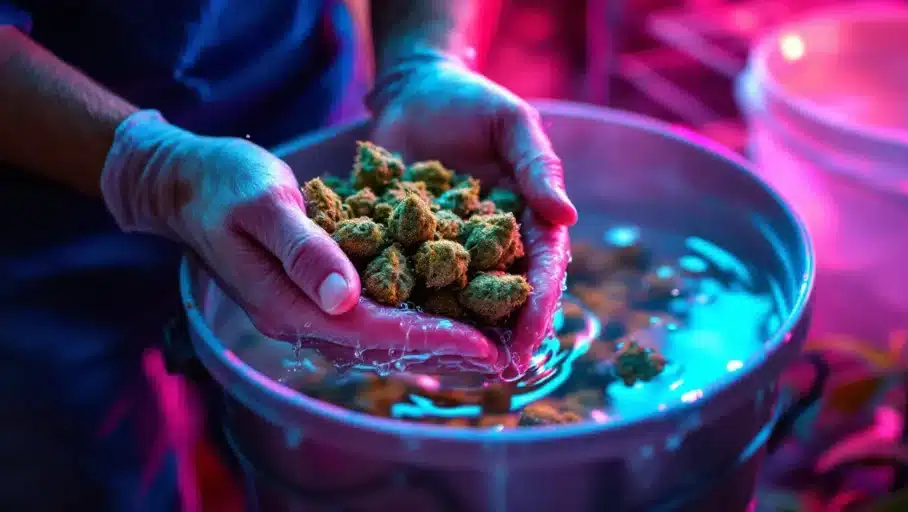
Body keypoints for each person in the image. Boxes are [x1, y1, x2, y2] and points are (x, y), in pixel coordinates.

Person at [0, 1, 576, 509]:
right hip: (38, 234)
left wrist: (424, 59)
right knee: (84, 475)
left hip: (293, 133)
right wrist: (150, 166)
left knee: (298, 455)